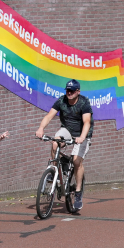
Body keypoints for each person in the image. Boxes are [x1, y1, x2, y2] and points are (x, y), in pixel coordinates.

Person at [35, 79, 93, 211]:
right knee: (55, 142)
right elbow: (49, 116)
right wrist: (41, 129)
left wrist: (82, 137)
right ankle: (54, 170)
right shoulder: (61, 101)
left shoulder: (84, 103)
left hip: (82, 133)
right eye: (67, 90)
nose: (69, 93)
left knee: (77, 161)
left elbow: (87, 122)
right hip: (67, 130)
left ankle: (78, 193)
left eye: (72, 91)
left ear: (78, 92)